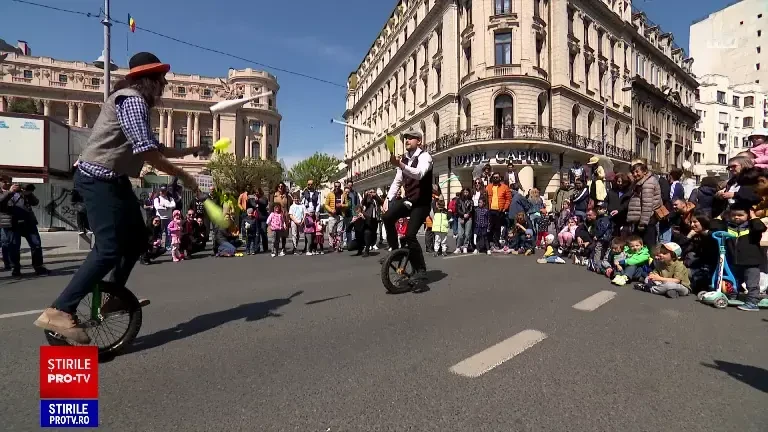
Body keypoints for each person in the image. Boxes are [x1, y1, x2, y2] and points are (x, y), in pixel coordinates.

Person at [33, 52, 204, 344]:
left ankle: (112, 297)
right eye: (160, 79)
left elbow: (155, 145)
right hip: (98, 178)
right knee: (109, 248)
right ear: (148, 80)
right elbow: (148, 153)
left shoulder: (134, 103)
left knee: (138, 239)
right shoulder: (132, 100)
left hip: (114, 179)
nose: (163, 84)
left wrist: (190, 151)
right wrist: (184, 175)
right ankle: (60, 309)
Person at [381, 127, 434, 285]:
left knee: (410, 235)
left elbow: (418, 173)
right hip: (409, 199)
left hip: (422, 203)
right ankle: (395, 250)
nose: (407, 140)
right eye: (406, 138)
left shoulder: (426, 157)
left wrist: (401, 165)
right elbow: (398, 181)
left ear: (419, 141)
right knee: (387, 217)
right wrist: (387, 199)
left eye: (411, 137)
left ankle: (421, 270)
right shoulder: (403, 159)